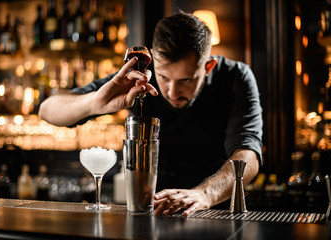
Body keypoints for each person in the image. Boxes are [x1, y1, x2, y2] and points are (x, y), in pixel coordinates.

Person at [39, 12, 263, 216]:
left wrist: (205, 194)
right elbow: (47, 110)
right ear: (154, 58)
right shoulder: (139, 77)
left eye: (186, 80)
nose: (172, 92)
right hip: (147, 212)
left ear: (208, 66)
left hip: (214, 212)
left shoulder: (236, 77)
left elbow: (249, 154)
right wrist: (96, 103)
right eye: (164, 77)